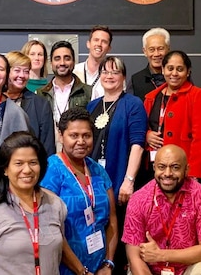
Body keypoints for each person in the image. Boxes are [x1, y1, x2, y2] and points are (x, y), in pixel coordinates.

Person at [0, 132, 66, 275]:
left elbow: (56, 257)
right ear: (5, 169)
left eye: (33, 163)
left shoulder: (55, 205)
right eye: (19, 163)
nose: (27, 170)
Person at [86, 56, 148, 274]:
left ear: (123, 77)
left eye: (115, 72)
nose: (109, 76)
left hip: (121, 181)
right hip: (95, 183)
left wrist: (128, 181)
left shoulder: (132, 104)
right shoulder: (92, 106)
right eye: (105, 72)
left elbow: (137, 145)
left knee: (120, 236)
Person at [41, 108, 118, 275]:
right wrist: (80, 271)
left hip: (101, 268)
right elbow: (51, 229)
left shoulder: (97, 170)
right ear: (61, 136)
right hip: (65, 268)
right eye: (74, 135)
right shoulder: (50, 171)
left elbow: (111, 219)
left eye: (86, 135)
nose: (81, 141)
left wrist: (108, 264)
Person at [122, 145, 201, 275]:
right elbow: (134, 256)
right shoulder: (139, 199)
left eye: (175, 167)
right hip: (149, 270)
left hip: (187, 269)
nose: (167, 174)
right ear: (154, 168)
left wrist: (162, 255)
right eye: (162, 167)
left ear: (186, 170)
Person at [143, 51, 201, 181]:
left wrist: (194, 174)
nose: (174, 73)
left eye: (179, 69)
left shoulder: (198, 95)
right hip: (154, 167)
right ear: (163, 70)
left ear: (188, 72)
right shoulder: (151, 97)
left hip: (183, 171)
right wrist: (147, 134)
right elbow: (142, 126)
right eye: (170, 68)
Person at [38, 40, 93, 152]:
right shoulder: (41, 94)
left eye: (67, 58)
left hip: (78, 152)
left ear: (73, 61)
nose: (62, 63)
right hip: (48, 152)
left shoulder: (88, 92)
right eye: (57, 58)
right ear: (51, 63)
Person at [6, 50, 56, 157]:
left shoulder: (41, 104)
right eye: (17, 70)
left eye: (26, 71)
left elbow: (47, 147)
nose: (22, 75)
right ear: (6, 72)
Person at [127, 28, 170, 101]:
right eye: (151, 49)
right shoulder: (136, 80)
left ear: (168, 49)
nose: (156, 54)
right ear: (145, 51)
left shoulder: (178, 77)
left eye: (160, 49)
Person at [74, 25, 113, 101]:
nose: (99, 44)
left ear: (109, 48)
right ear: (88, 44)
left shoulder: (114, 76)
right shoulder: (74, 71)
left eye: (104, 42)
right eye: (96, 40)